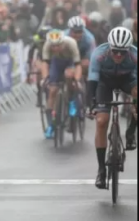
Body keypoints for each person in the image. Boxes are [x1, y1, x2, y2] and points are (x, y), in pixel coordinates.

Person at [87, 27, 137, 189]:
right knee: (102, 121)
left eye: (122, 52)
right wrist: (91, 104)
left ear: (128, 49)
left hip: (127, 80)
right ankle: (101, 170)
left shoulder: (135, 55)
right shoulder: (99, 54)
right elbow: (92, 81)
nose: (118, 55)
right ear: (109, 47)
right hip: (104, 83)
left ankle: (130, 132)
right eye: (115, 51)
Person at [40, 29, 82, 139]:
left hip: (70, 61)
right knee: (52, 90)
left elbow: (78, 65)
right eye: (53, 46)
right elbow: (45, 63)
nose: (55, 48)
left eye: (58, 45)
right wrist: (45, 79)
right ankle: (50, 125)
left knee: (69, 75)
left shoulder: (71, 43)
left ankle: (72, 100)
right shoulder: (47, 45)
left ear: (63, 42)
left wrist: (76, 80)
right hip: (56, 63)